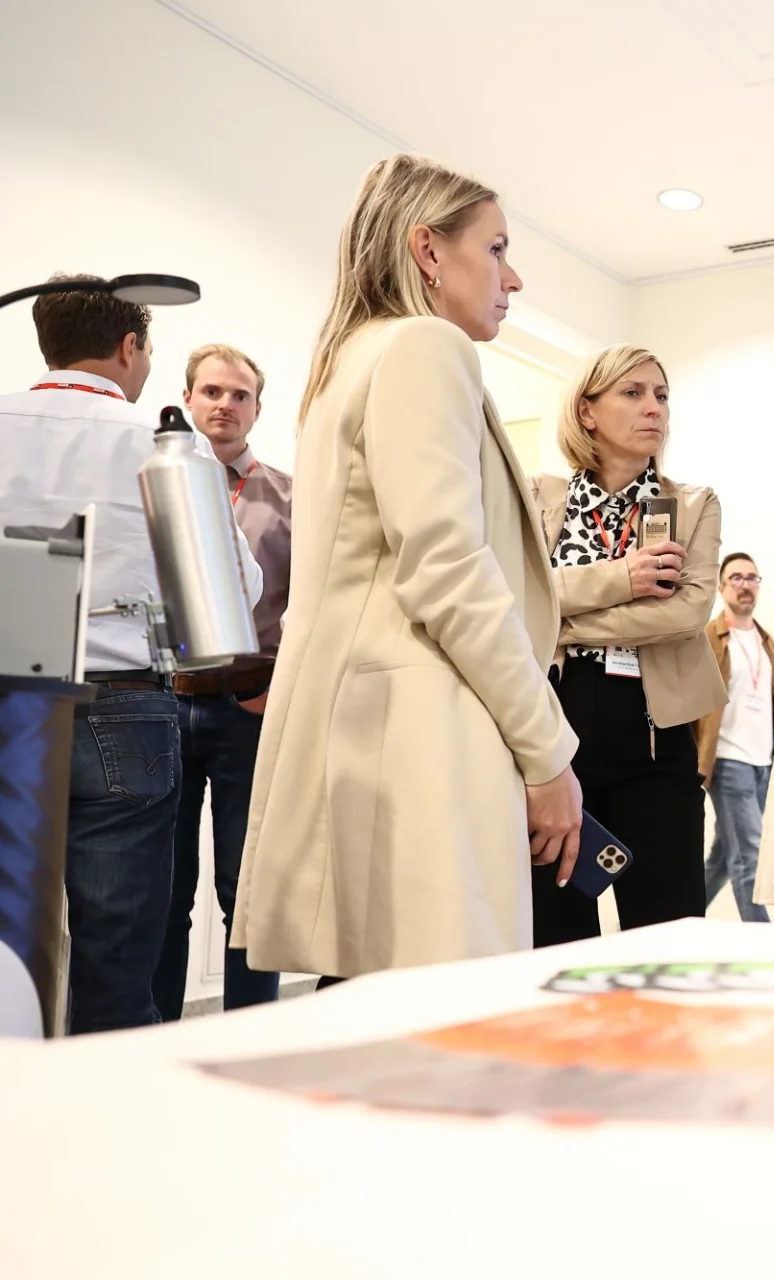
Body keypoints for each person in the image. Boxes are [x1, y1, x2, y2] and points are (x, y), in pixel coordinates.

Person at [231, 154, 583, 982]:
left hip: (360, 727)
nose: (512, 277)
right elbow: (448, 568)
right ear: (428, 249)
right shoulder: (425, 347)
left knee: (372, 997)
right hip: (421, 730)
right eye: (495, 249)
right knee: (441, 1010)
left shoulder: (349, 359)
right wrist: (547, 752)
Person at [0, 275, 261, 1032]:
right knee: (117, 961)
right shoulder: (163, 445)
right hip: (125, 703)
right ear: (129, 347)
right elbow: (235, 589)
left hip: (11, 695)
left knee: (8, 951)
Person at [530, 343, 724, 944]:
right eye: (633, 393)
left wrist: (563, 622)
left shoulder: (691, 504)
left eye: (661, 395)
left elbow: (685, 614)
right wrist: (622, 579)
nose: (654, 408)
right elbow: (520, 593)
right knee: (556, 938)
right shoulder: (538, 498)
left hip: (654, 737)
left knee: (669, 936)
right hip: (554, 739)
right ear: (586, 411)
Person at [152, 344, 289, 1019]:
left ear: (258, 409)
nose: (225, 405)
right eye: (211, 391)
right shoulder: (152, 485)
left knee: (246, 894)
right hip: (164, 710)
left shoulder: (291, 498)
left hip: (250, 712)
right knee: (163, 893)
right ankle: (159, 1038)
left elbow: (315, 607)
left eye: (240, 395)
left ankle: (249, 1037)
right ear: (188, 399)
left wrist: (273, 691)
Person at [695, 552, 774, 923]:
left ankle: (672, 917)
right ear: (721, 587)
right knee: (749, 856)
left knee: (722, 858)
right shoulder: (709, 638)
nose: (745, 585)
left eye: (752, 578)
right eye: (736, 578)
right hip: (728, 760)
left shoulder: (765, 640)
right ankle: (763, 942)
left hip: (763, 762)